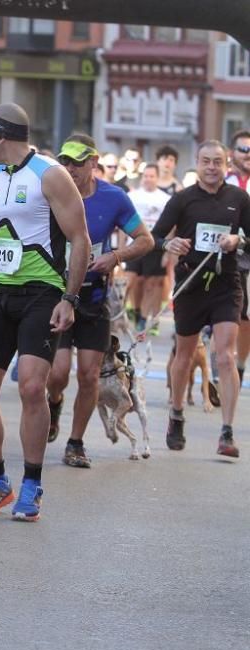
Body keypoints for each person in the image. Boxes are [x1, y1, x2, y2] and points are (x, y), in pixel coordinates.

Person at [0, 103, 90, 521]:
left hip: (42, 293)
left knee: (33, 387)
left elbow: (80, 238)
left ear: (0, 136)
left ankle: (32, 483)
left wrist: (69, 298)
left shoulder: (50, 174)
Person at [45, 135, 154, 465]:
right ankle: (55, 400)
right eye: (64, 161)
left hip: (94, 297)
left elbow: (146, 240)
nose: (69, 168)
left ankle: (75, 443)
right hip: (57, 294)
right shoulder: (50, 192)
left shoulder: (113, 197)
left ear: (94, 163)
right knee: (59, 373)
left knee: (90, 375)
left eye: (77, 162)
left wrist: (116, 256)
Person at [152, 140, 250, 458]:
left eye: (217, 162)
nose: (212, 167)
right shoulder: (182, 200)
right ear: (196, 163)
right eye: (206, 161)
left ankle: (227, 431)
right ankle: (177, 413)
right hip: (191, 284)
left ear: (227, 165)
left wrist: (239, 239)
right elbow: (153, 236)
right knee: (184, 355)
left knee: (225, 355)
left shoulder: (239, 198)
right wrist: (170, 245)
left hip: (226, 283)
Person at [124, 163, 172, 332]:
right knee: (131, 281)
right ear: (141, 177)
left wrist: (168, 250)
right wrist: (121, 247)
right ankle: (136, 309)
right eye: (146, 176)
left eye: (152, 176)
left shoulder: (165, 199)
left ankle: (144, 318)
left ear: (157, 178)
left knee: (152, 283)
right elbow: (122, 221)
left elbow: (172, 226)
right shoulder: (133, 196)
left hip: (155, 244)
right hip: (134, 243)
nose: (148, 179)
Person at [225, 130, 250, 384]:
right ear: (232, 153)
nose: (248, 154)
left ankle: (240, 367)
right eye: (243, 149)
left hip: (249, 255)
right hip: (226, 255)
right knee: (226, 314)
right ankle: (222, 364)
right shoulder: (223, 181)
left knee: (246, 317)